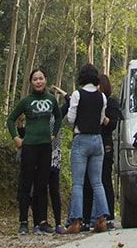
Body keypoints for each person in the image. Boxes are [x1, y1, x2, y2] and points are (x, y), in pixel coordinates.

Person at [6, 68, 61, 233]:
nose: (38, 81)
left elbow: (58, 117)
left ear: (45, 81)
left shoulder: (51, 99)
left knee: (42, 184)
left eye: (41, 78)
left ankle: (42, 221)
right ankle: (23, 222)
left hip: (45, 147)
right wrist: (16, 138)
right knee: (25, 184)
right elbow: (10, 119)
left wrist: (53, 134)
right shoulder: (26, 101)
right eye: (35, 79)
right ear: (31, 82)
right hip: (29, 146)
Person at [63, 63, 111, 233]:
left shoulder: (77, 95)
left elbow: (70, 118)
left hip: (81, 138)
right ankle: (102, 219)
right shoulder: (102, 97)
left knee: (78, 183)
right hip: (97, 139)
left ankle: (75, 221)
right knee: (97, 182)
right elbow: (101, 119)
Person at [99, 75, 123, 228]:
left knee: (105, 178)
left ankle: (109, 214)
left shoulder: (111, 102)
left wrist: (103, 117)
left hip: (105, 140)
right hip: (92, 139)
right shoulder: (92, 99)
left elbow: (114, 124)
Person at [46, 76, 68, 231]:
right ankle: (40, 222)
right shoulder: (35, 115)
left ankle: (58, 222)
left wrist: (59, 91)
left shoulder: (58, 114)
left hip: (54, 156)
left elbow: (71, 101)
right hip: (39, 154)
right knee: (40, 190)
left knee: (54, 190)